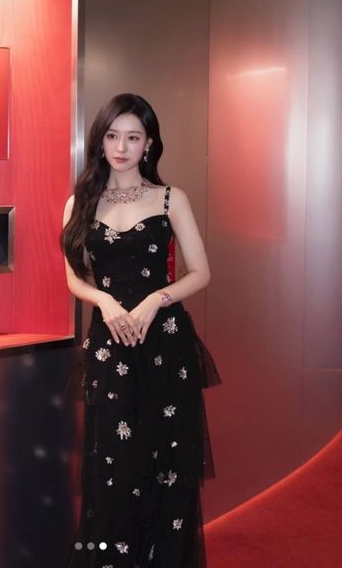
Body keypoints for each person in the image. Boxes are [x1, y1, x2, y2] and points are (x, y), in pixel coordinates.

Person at [61, 93, 221, 567]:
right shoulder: (80, 203)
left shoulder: (170, 198)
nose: (121, 147)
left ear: (149, 143)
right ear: (100, 140)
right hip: (110, 347)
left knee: (166, 471)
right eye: (113, 136)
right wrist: (104, 300)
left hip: (165, 348)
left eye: (133, 137)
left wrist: (156, 298)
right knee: (109, 472)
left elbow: (201, 272)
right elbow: (74, 277)